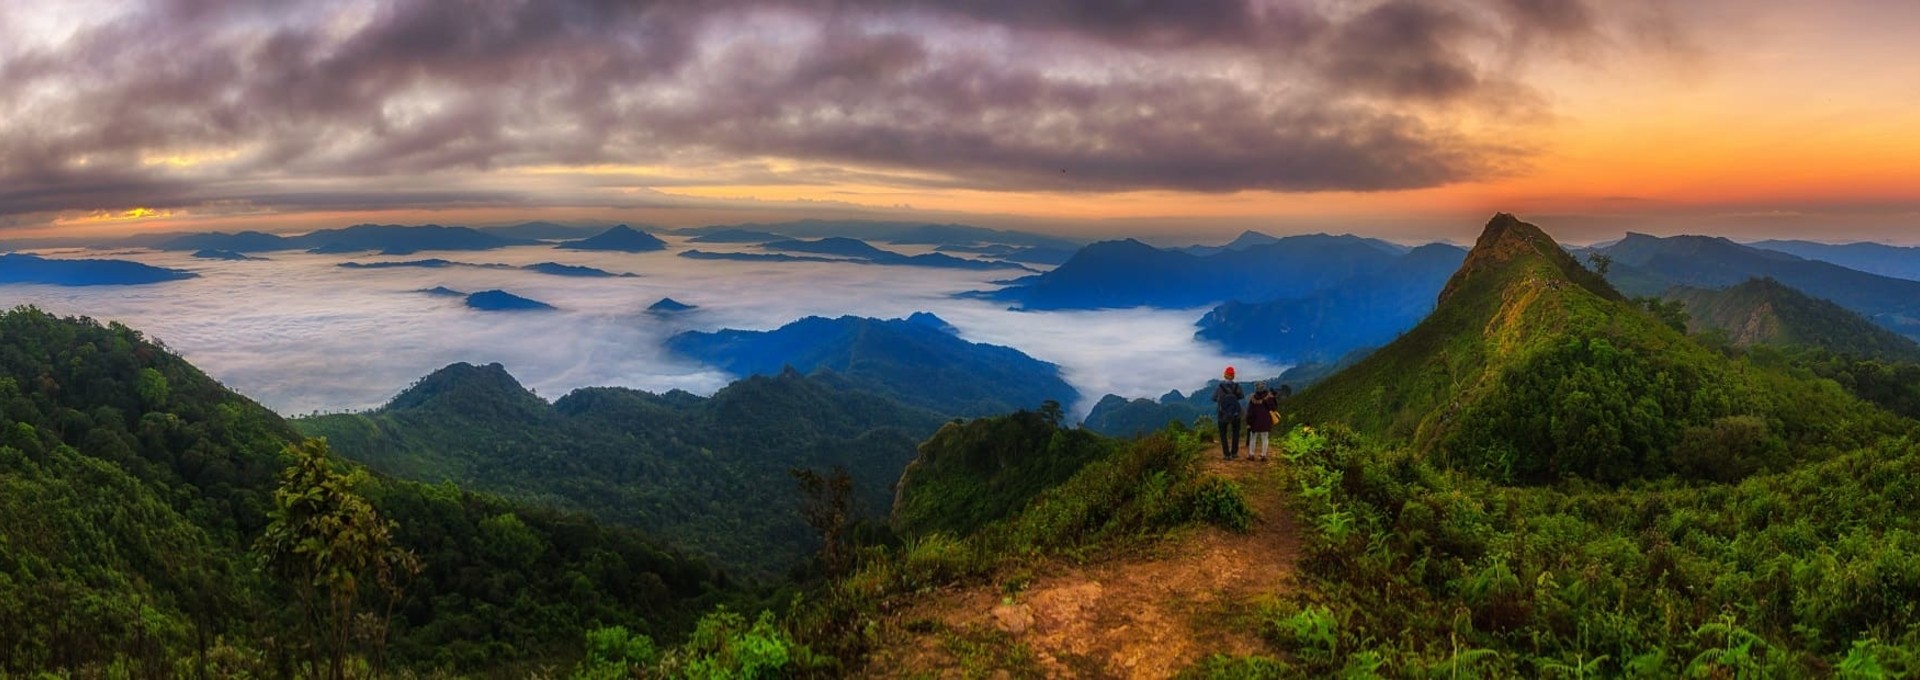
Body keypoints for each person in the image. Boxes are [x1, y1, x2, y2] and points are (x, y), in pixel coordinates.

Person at [1212, 366, 1245, 460]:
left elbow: (1214, 398)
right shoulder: (1237, 386)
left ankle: (1226, 454)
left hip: (1223, 413)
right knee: (1236, 433)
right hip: (1235, 413)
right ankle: (1234, 453)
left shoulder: (1220, 387)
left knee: (1223, 434)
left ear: (1225, 375)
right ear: (1233, 376)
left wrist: (1222, 400)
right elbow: (1241, 396)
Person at [1246, 381, 1276, 461]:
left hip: (1255, 421)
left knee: (1253, 438)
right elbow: (1273, 408)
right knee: (1265, 438)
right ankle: (1263, 455)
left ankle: (1251, 454)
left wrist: (1249, 422)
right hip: (1266, 420)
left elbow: (1250, 412)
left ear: (1256, 388)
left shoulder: (1253, 398)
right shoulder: (1269, 397)